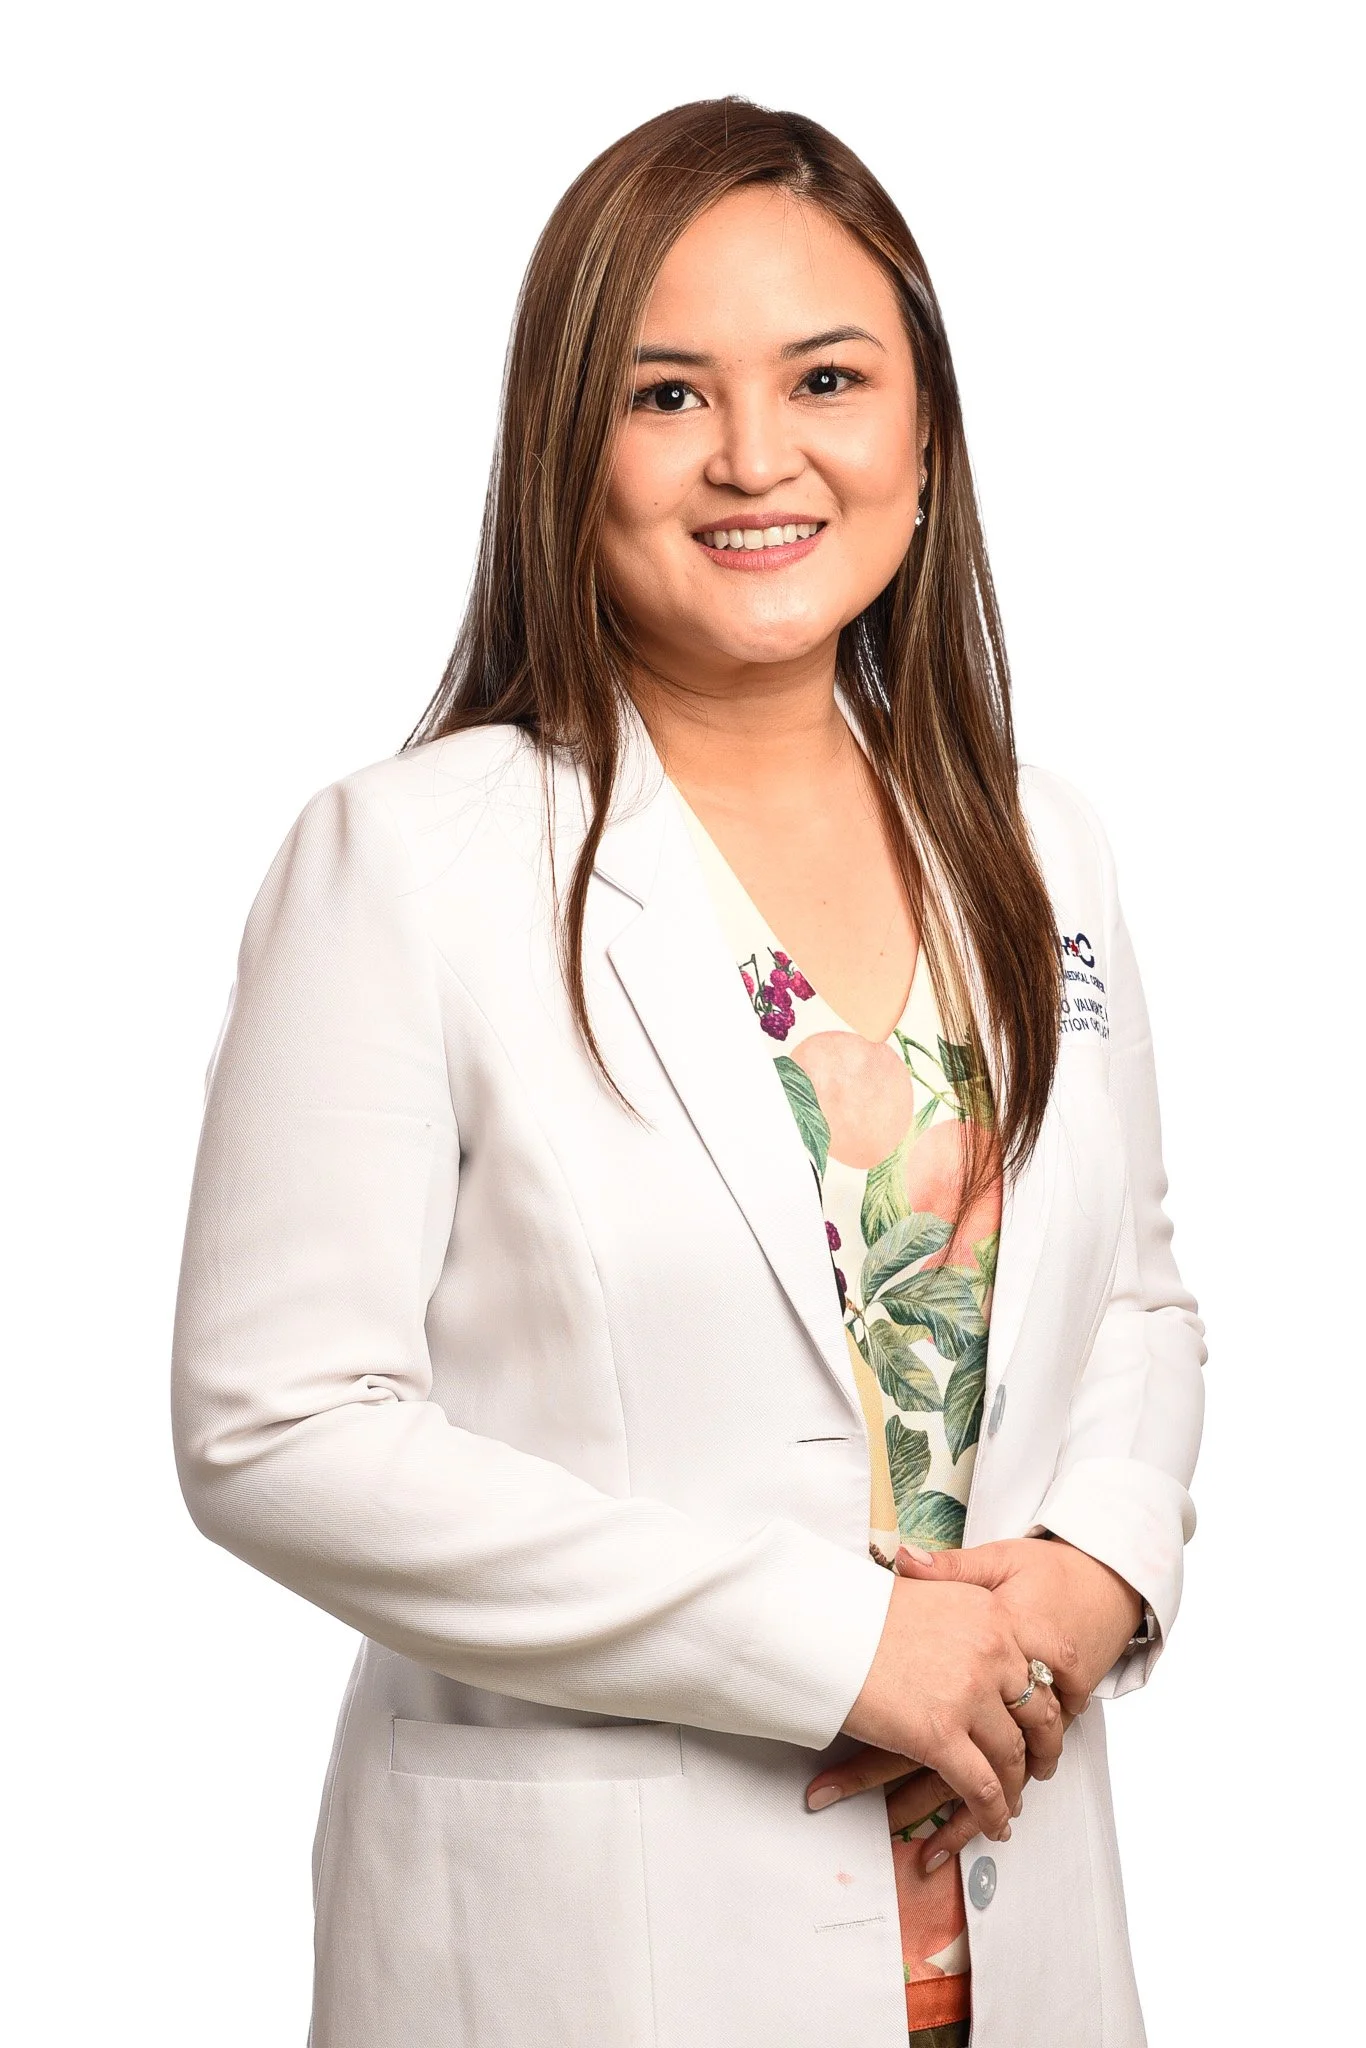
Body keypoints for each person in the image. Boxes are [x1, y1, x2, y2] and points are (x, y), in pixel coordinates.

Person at [171, 96, 1205, 2048]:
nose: (756, 456)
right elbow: (274, 1423)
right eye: (666, 395)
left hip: (1010, 1945)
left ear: (919, 429)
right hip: (597, 1959)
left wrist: (1083, 1583)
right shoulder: (404, 862)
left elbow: (1133, 1297)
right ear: (570, 445)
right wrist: (835, 1646)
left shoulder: (1033, 842)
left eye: (826, 376)